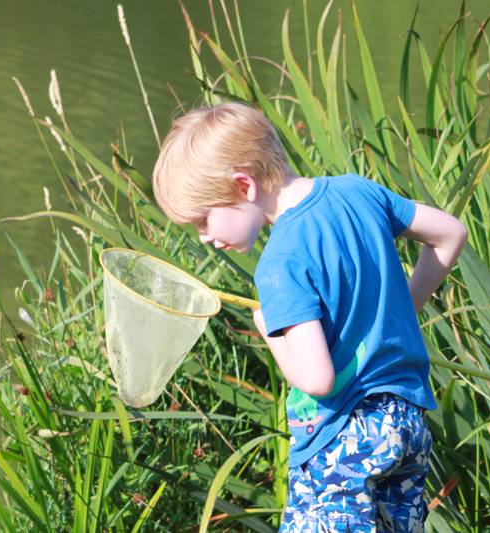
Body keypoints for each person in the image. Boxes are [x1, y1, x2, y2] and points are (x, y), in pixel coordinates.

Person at [152, 102, 468, 532]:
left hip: (343, 439)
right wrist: (403, 311)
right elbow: (451, 233)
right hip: (407, 422)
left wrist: (271, 334)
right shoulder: (359, 191)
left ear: (243, 185)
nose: (205, 236)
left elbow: (317, 379)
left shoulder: (279, 262)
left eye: (204, 220)